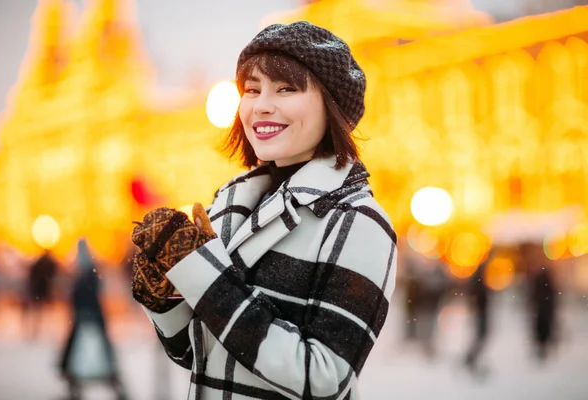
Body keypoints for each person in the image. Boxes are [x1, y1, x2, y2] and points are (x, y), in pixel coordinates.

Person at [132, 21, 397, 399]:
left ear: (331, 105)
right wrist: (166, 296)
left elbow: (323, 379)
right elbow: (198, 353)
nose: (261, 105)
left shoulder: (357, 220)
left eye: (286, 89)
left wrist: (205, 279)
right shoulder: (229, 205)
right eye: (251, 90)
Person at [59, 239, 127, 400]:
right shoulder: (87, 274)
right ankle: (112, 387)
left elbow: (86, 297)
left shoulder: (86, 275)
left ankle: (79, 387)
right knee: (92, 356)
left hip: (88, 319)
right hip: (89, 319)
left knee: (86, 356)